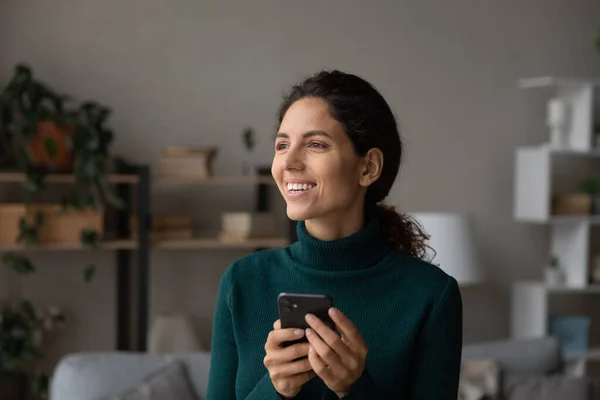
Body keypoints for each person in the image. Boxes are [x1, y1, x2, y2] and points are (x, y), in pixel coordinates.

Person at [206, 70, 463, 399]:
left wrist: (353, 388)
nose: (289, 162)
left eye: (315, 144)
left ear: (368, 167)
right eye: (282, 145)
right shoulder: (242, 281)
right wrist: (275, 389)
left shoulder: (432, 296)